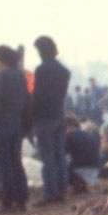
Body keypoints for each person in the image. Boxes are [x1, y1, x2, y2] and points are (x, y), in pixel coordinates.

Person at [0, 46, 31, 213]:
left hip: (1, 124)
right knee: (16, 162)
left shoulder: (3, 75)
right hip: (16, 124)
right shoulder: (20, 74)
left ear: (1, 59)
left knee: (4, 164)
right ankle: (22, 199)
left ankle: (7, 201)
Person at [32, 36, 73, 204]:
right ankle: (62, 190)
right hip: (58, 115)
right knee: (59, 155)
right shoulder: (64, 71)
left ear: (41, 51)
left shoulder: (41, 70)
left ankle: (50, 193)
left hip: (44, 117)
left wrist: (31, 114)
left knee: (47, 156)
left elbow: (38, 96)